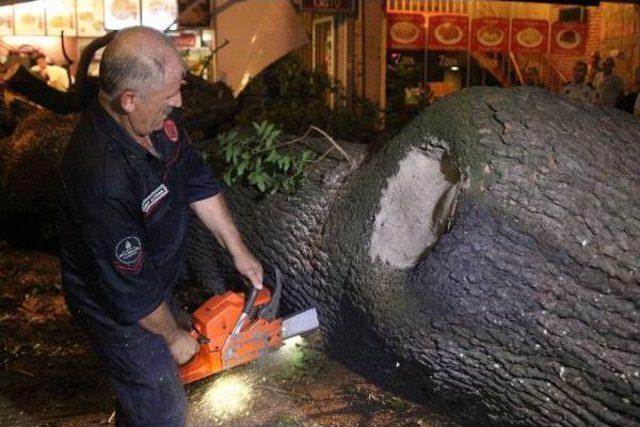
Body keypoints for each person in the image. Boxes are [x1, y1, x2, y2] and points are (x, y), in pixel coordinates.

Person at [58, 26, 264, 426]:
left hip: (148, 280)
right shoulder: (101, 177)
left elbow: (196, 179)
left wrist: (237, 249)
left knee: (148, 401)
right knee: (162, 406)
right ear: (128, 99)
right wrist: (174, 337)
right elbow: (132, 295)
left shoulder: (157, 120)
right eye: (169, 96)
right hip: (115, 305)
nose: (179, 102)